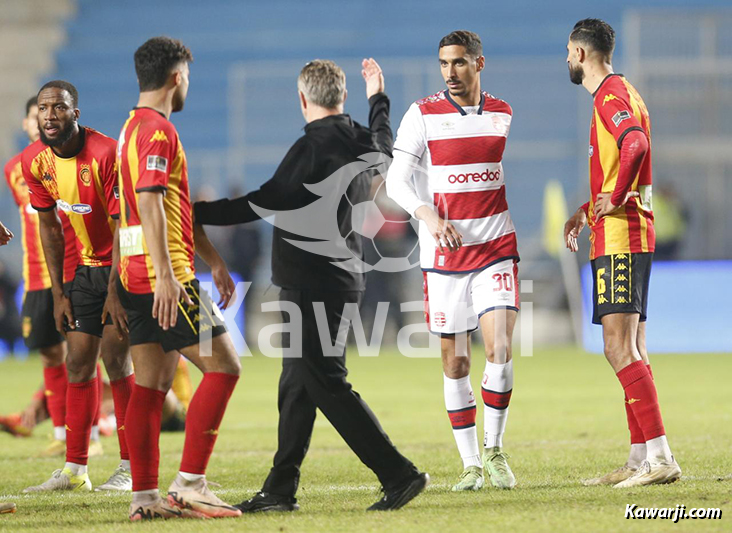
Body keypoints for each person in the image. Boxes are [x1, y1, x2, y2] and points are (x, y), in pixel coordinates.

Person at [194, 58, 428, 512]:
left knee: (324, 383)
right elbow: (385, 141)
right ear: (341, 96)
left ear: (303, 99)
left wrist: (198, 212)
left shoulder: (310, 148)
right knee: (297, 386)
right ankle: (280, 489)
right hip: (344, 279)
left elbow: (263, 202)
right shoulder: (363, 141)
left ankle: (398, 473)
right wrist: (378, 96)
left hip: (310, 283)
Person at [386, 30, 519, 491]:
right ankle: (471, 464)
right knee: (456, 363)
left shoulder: (502, 113)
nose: (450, 73)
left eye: (459, 63)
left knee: (499, 348)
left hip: (496, 248)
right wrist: (427, 216)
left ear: (479, 63)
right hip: (444, 257)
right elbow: (396, 181)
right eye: (444, 64)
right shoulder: (422, 114)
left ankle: (496, 449)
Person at [116, 36, 241, 521]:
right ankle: (190, 484)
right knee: (225, 367)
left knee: (151, 385)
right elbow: (148, 200)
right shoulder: (158, 132)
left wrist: (210, 257)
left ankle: (144, 498)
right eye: (187, 75)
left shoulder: (131, 127)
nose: (188, 83)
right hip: (165, 280)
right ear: (176, 77)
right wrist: (168, 276)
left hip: (136, 275)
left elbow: (165, 206)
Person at [563, 18, 681, 487]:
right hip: (633, 233)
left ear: (578, 53)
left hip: (620, 237)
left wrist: (614, 198)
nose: (567, 61)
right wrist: (584, 209)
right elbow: (624, 156)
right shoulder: (625, 91)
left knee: (617, 348)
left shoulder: (609, 96)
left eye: (567, 53)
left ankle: (660, 456)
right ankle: (639, 457)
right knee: (634, 348)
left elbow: (635, 143)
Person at [21, 80, 135, 493]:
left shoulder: (106, 153)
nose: (50, 115)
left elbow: (124, 224)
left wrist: (115, 289)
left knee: (117, 361)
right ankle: (75, 469)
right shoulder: (37, 165)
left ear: (76, 114)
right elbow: (49, 229)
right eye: (44, 109)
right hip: (85, 270)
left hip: (123, 268)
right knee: (77, 362)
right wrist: (58, 293)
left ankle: (129, 467)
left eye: (59, 108)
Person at [4, 96, 75, 457]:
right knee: (51, 355)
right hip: (36, 274)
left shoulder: (67, 160)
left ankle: (87, 434)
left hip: (72, 270)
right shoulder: (16, 168)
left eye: (46, 114)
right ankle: (63, 434)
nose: (40, 121)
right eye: (34, 115)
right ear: (26, 123)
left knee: (80, 354)